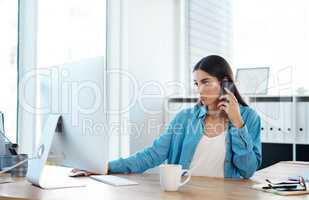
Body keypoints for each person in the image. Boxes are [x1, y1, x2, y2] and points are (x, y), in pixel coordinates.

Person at [73, 55, 261, 179]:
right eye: (196, 83)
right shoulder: (185, 118)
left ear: (225, 83)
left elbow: (247, 170)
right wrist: (105, 167)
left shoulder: (249, 118)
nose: (199, 89)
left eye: (205, 82)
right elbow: (152, 155)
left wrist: (237, 124)